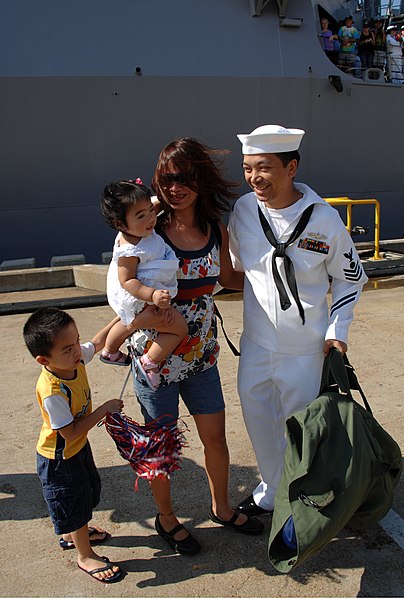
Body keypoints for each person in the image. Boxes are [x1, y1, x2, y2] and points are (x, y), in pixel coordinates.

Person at [128, 137, 264, 555]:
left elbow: (228, 278)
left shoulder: (213, 230)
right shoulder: (148, 231)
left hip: (201, 356)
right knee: (161, 446)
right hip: (157, 359)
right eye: (168, 179)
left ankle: (221, 508)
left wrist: (280, 275)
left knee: (215, 439)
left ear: (201, 181)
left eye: (186, 178)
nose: (177, 187)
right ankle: (167, 519)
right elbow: (122, 280)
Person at [228, 124, 368, 516]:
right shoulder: (243, 211)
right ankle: (273, 489)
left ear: (291, 168)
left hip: (305, 348)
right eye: (247, 168)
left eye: (264, 168)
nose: (255, 178)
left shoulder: (323, 219)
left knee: (304, 428)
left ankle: (309, 495)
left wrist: (337, 331)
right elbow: (239, 265)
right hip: (256, 342)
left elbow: (351, 277)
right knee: (259, 421)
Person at [22, 307, 125, 583]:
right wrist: (104, 409)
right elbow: (70, 431)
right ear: (44, 359)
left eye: (76, 342)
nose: (78, 351)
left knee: (88, 491)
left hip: (77, 448)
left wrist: (124, 317)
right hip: (58, 458)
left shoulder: (73, 361)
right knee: (73, 500)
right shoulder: (53, 392)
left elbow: (101, 341)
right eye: (68, 349)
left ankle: (74, 533)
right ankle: (84, 555)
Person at [99, 179, 188, 389]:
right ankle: (149, 362)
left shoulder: (139, 229)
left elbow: (157, 203)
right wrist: (152, 295)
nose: (150, 218)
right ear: (119, 224)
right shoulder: (129, 249)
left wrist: (160, 200)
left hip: (145, 299)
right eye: (141, 215)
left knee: (125, 321)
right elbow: (127, 280)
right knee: (179, 328)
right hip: (143, 298)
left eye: (150, 211)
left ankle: (110, 351)